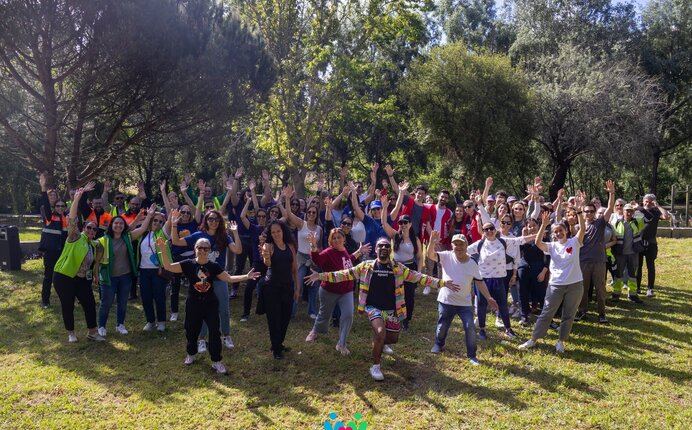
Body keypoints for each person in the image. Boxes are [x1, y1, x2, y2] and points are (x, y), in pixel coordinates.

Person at [306, 237, 458, 381]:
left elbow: (419, 277)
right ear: (376, 249)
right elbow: (344, 274)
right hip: (373, 308)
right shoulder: (366, 267)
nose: (383, 247)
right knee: (380, 332)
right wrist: (320, 276)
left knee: (393, 339)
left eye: (386, 245)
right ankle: (376, 366)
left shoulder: (398, 268)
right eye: (380, 245)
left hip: (392, 310)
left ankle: (382, 343)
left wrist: (442, 283)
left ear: (390, 250)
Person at [156, 237, 260, 374]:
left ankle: (216, 361)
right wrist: (163, 251)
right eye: (200, 247)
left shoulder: (213, 266)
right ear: (195, 249)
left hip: (210, 303)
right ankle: (191, 353)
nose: (203, 251)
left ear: (210, 250)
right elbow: (169, 267)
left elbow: (228, 278)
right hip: (193, 303)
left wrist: (246, 276)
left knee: (214, 331)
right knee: (191, 330)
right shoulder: (188, 264)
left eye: (206, 248)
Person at [519, 203, 587, 353]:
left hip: (575, 285)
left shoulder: (574, 242)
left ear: (566, 231)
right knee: (546, 313)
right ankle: (533, 339)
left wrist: (579, 212)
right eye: (555, 231)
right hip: (556, 285)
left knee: (568, 315)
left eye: (561, 230)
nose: (558, 233)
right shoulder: (551, 246)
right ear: (553, 234)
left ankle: (561, 341)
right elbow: (538, 242)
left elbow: (582, 229)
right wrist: (543, 225)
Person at [171, 209, 242, 350]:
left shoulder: (224, 236)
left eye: (216, 219)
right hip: (202, 279)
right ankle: (202, 339)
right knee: (202, 309)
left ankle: (226, 335)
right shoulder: (199, 235)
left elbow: (238, 250)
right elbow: (176, 241)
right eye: (210, 219)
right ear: (206, 221)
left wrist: (235, 233)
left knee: (223, 308)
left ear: (220, 221)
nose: (213, 222)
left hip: (219, 278)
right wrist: (174, 225)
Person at [427, 231, 498, 364]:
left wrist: (489, 297)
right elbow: (430, 255)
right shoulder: (446, 256)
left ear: (466, 246)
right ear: (452, 246)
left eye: (461, 244)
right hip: (446, 300)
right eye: (456, 244)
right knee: (442, 326)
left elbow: (479, 281)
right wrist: (431, 242)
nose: (458, 247)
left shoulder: (472, 263)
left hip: (464, 304)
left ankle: (472, 355)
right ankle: (439, 344)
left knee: (470, 327)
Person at [52, 182, 104, 343]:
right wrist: (77, 198)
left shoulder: (94, 244)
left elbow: (95, 263)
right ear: (83, 229)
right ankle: (71, 333)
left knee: (89, 303)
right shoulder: (75, 237)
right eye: (89, 228)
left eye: (94, 229)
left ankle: (92, 332)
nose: (91, 230)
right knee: (68, 304)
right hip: (64, 276)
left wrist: (95, 276)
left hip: (81, 278)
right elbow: (72, 218)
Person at [304, 229, 370, 354]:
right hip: (329, 290)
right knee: (324, 315)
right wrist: (313, 245)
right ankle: (315, 331)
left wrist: (359, 252)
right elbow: (317, 260)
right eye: (334, 238)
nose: (336, 240)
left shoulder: (344, 251)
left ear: (344, 239)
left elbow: (348, 261)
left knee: (348, 315)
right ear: (330, 240)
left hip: (346, 291)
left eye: (339, 237)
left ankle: (342, 344)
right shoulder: (328, 252)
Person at [94, 206, 157, 336]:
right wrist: (96, 276)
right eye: (116, 223)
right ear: (111, 225)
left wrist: (150, 215)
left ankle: (120, 325)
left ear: (124, 226)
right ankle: (101, 326)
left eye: (121, 224)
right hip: (109, 277)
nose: (118, 225)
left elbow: (142, 228)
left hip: (125, 277)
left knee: (122, 303)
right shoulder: (103, 240)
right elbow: (97, 261)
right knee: (106, 303)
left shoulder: (128, 237)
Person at [467, 222, 535, 340]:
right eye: (486, 229)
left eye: (491, 228)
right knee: (482, 305)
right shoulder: (480, 244)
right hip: (483, 280)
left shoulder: (503, 241)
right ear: (483, 232)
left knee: (502, 304)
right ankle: (482, 330)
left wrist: (537, 235)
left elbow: (520, 240)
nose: (489, 231)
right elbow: (463, 250)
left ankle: (508, 329)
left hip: (499, 279)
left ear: (495, 230)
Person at [575, 181, 615, 323]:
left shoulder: (600, 223)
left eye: (591, 211)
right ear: (583, 212)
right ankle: (582, 312)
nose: (589, 213)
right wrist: (579, 205)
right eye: (586, 211)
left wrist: (611, 193)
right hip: (583, 262)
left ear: (595, 212)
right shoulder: (578, 226)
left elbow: (610, 208)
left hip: (599, 262)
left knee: (600, 289)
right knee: (583, 289)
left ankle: (602, 314)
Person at [381, 201, 424, 330]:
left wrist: (419, 273)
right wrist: (384, 208)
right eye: (401, 223)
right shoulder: (395, 236)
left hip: (410, 269)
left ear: (410, 224)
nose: (403, 225)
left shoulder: (415, 239)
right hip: (395, 268)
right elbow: (384, 223)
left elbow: (420, 257)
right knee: (393, 293)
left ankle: (406, 320)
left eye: (406, 222)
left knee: (408, 296)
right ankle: (392, 317)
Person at [261, 220, 300, 359]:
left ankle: (279, 342)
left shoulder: (290, 246)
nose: (276, 234)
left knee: (285, 317)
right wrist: (266, 256)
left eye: (278, 231)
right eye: (273, 232)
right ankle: (276, 348)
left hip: (288, 287)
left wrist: (297, 288)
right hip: (272, 287)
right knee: (274, 318)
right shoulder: (268, 246)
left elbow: (294, 269)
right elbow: (267, 264)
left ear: (283, 231)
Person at [282, 185, 323, 319]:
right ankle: (291, 312)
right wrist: (287, 198)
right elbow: (289, 214)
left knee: (313, 286)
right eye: (309, 212)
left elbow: (320, 246)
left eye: (314, 212)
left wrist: (318, 258)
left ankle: (312, 311)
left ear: (316, 214)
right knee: (297, 285)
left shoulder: (319, 229)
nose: (311, 214)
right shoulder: (301, 224)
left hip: (313, 259)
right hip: (300, 257)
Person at [610, 203, 651, 303]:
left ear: (633, 213)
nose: (628, 213)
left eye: (630, 211)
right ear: (623, 212)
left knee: (633, 274)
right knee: (618, 274)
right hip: (620, 253)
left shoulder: (637, 222)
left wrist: (640, 208)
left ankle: (632, 294)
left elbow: (649, 217)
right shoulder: (617, 222)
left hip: (633, 253)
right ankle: (616, 293)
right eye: (626, 211)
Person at [38, 173, 68, 308]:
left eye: (62, 206)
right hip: (50, 252)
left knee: (63, 277)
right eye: (58, 206)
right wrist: (43, 188)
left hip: (63, 252)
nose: (60, 208)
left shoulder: (67, 218)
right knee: (48, 277)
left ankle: (65, 299)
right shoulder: (50, 216)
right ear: (55, 207)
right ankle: (45, 300)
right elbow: (45, 203)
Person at [636, 194, 669, 297]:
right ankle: (637, 287)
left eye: (650, 202)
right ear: (643, 201)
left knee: (650, 266)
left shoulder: (656, 212)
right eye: (646, 201)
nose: (648, 203)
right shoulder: (638, 211)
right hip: (639, 242)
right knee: (638, 266)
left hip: (651, 243)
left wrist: (657, 206)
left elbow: (666, 216)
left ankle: (650, 289)